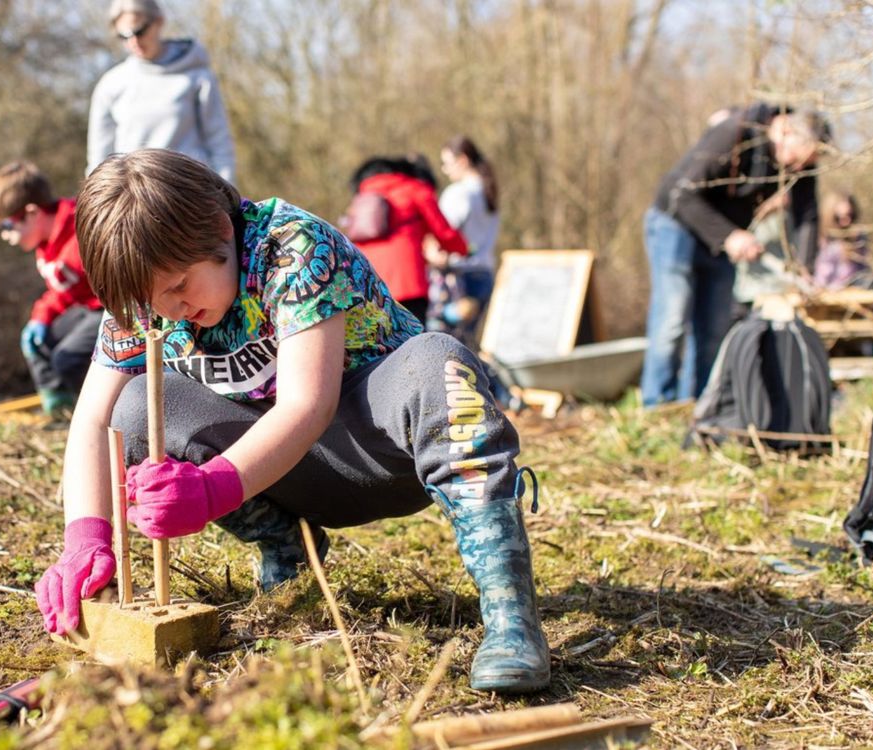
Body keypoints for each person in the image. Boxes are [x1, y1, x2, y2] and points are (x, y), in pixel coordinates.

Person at [34, 149, 550, 693]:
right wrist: (85, 537)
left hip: (380, 453)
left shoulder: (291, 248)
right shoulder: (148, 300)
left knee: (437, 361)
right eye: (151, 300)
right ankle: (288, 548)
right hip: (282, 476)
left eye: (181, 285)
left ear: (217, 229)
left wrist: (211, 488)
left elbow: (309, 404)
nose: (169, 312)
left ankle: (510, 614)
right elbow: (94, 420)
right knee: (135, 408)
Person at [640, 103, 829, 406]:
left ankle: (702, 406)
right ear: (785, 131)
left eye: (805, 165)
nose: (796, 169)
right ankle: (657, 404)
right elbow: (682, 193)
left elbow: (807, 214)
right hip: (675, 225)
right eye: (798, 158)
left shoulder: (801, 163)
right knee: (672, 320)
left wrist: (803, 265)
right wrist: (728, 235)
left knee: (715, 328)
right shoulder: (735, 133)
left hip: (723, 237)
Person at [0, 161, 105, 415]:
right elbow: (61, 292)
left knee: (67, 359)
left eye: (7, 226)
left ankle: (95, 414)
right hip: (86, 309)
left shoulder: (81, 233)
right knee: (40, 342)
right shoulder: (45, 246)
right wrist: (41, 318)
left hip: (111, 310)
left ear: (32, 213)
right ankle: (58, 408)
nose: (5, 236)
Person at [86, 0, 236, 183]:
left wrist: (228, 198)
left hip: (191, 193)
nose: (133, 41)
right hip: (134, 197)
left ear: (159, 21)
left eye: (139, 31)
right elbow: (99, 159)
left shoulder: (197, 77)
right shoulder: (111, 84)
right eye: (123, 36)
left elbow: (220, 145)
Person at [347, 156, 468, 322]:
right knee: (414, 344)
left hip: (368, 284)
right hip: (408, 285)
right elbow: (444, 233)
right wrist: (464, 249)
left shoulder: (362, 196)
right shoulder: (416, 189)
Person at [427, 136, 501, 338]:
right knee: (466, 346)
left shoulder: (459, 193)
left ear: (463, 160)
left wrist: (430, 254)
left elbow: (442, 233)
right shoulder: (488, 192)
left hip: (458, 280)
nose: (444, 169)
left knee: (443, 346)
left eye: (447, 163)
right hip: (484, 275)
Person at [813, 191, 870, 290]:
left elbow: (864, 271)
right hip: (831, 293)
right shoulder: (824, 241)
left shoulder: (860, 238)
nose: (846, 221)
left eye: (850, 215)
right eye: (839, 217)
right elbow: (821, 278)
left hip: (856, 291)